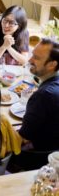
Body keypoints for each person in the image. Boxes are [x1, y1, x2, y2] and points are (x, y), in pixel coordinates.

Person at [8, 38, 59, 171]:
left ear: (52, 65)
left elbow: (22, 138)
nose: (30, 60)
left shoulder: (43, 96)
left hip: (37, 160)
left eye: (36, 57)